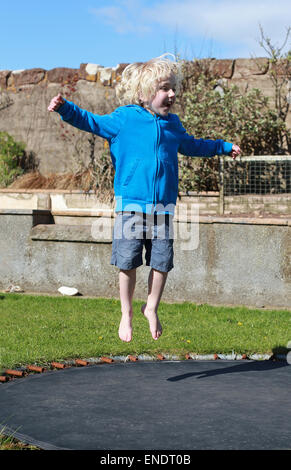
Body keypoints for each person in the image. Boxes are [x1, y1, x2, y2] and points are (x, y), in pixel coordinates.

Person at [48, 54, 241, 343]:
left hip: (163, 208)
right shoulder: (124, 119)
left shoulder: (172, 125)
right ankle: (126, 313)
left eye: (173, 88)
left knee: (162, 262)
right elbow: (91, 122)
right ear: (143, 93)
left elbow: (193, 145)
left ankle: (151, 308)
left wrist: (222, 147)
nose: (172, 94)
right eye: (164, 88)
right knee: (127, 262)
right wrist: (66, 109)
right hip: (131, 207)